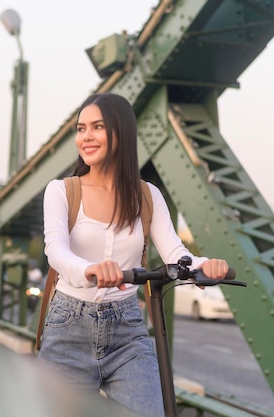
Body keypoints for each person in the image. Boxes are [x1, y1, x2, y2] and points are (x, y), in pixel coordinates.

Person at [39, 93, 229, 417]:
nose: (86, 136)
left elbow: (175, 254)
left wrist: (205, 265)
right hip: (68, 327)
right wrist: (89, 270)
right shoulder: (61, 190)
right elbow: (55, 250)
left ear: (120, 133)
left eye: (97, 127)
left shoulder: (147, 196)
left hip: (126, 328)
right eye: (81, 128)